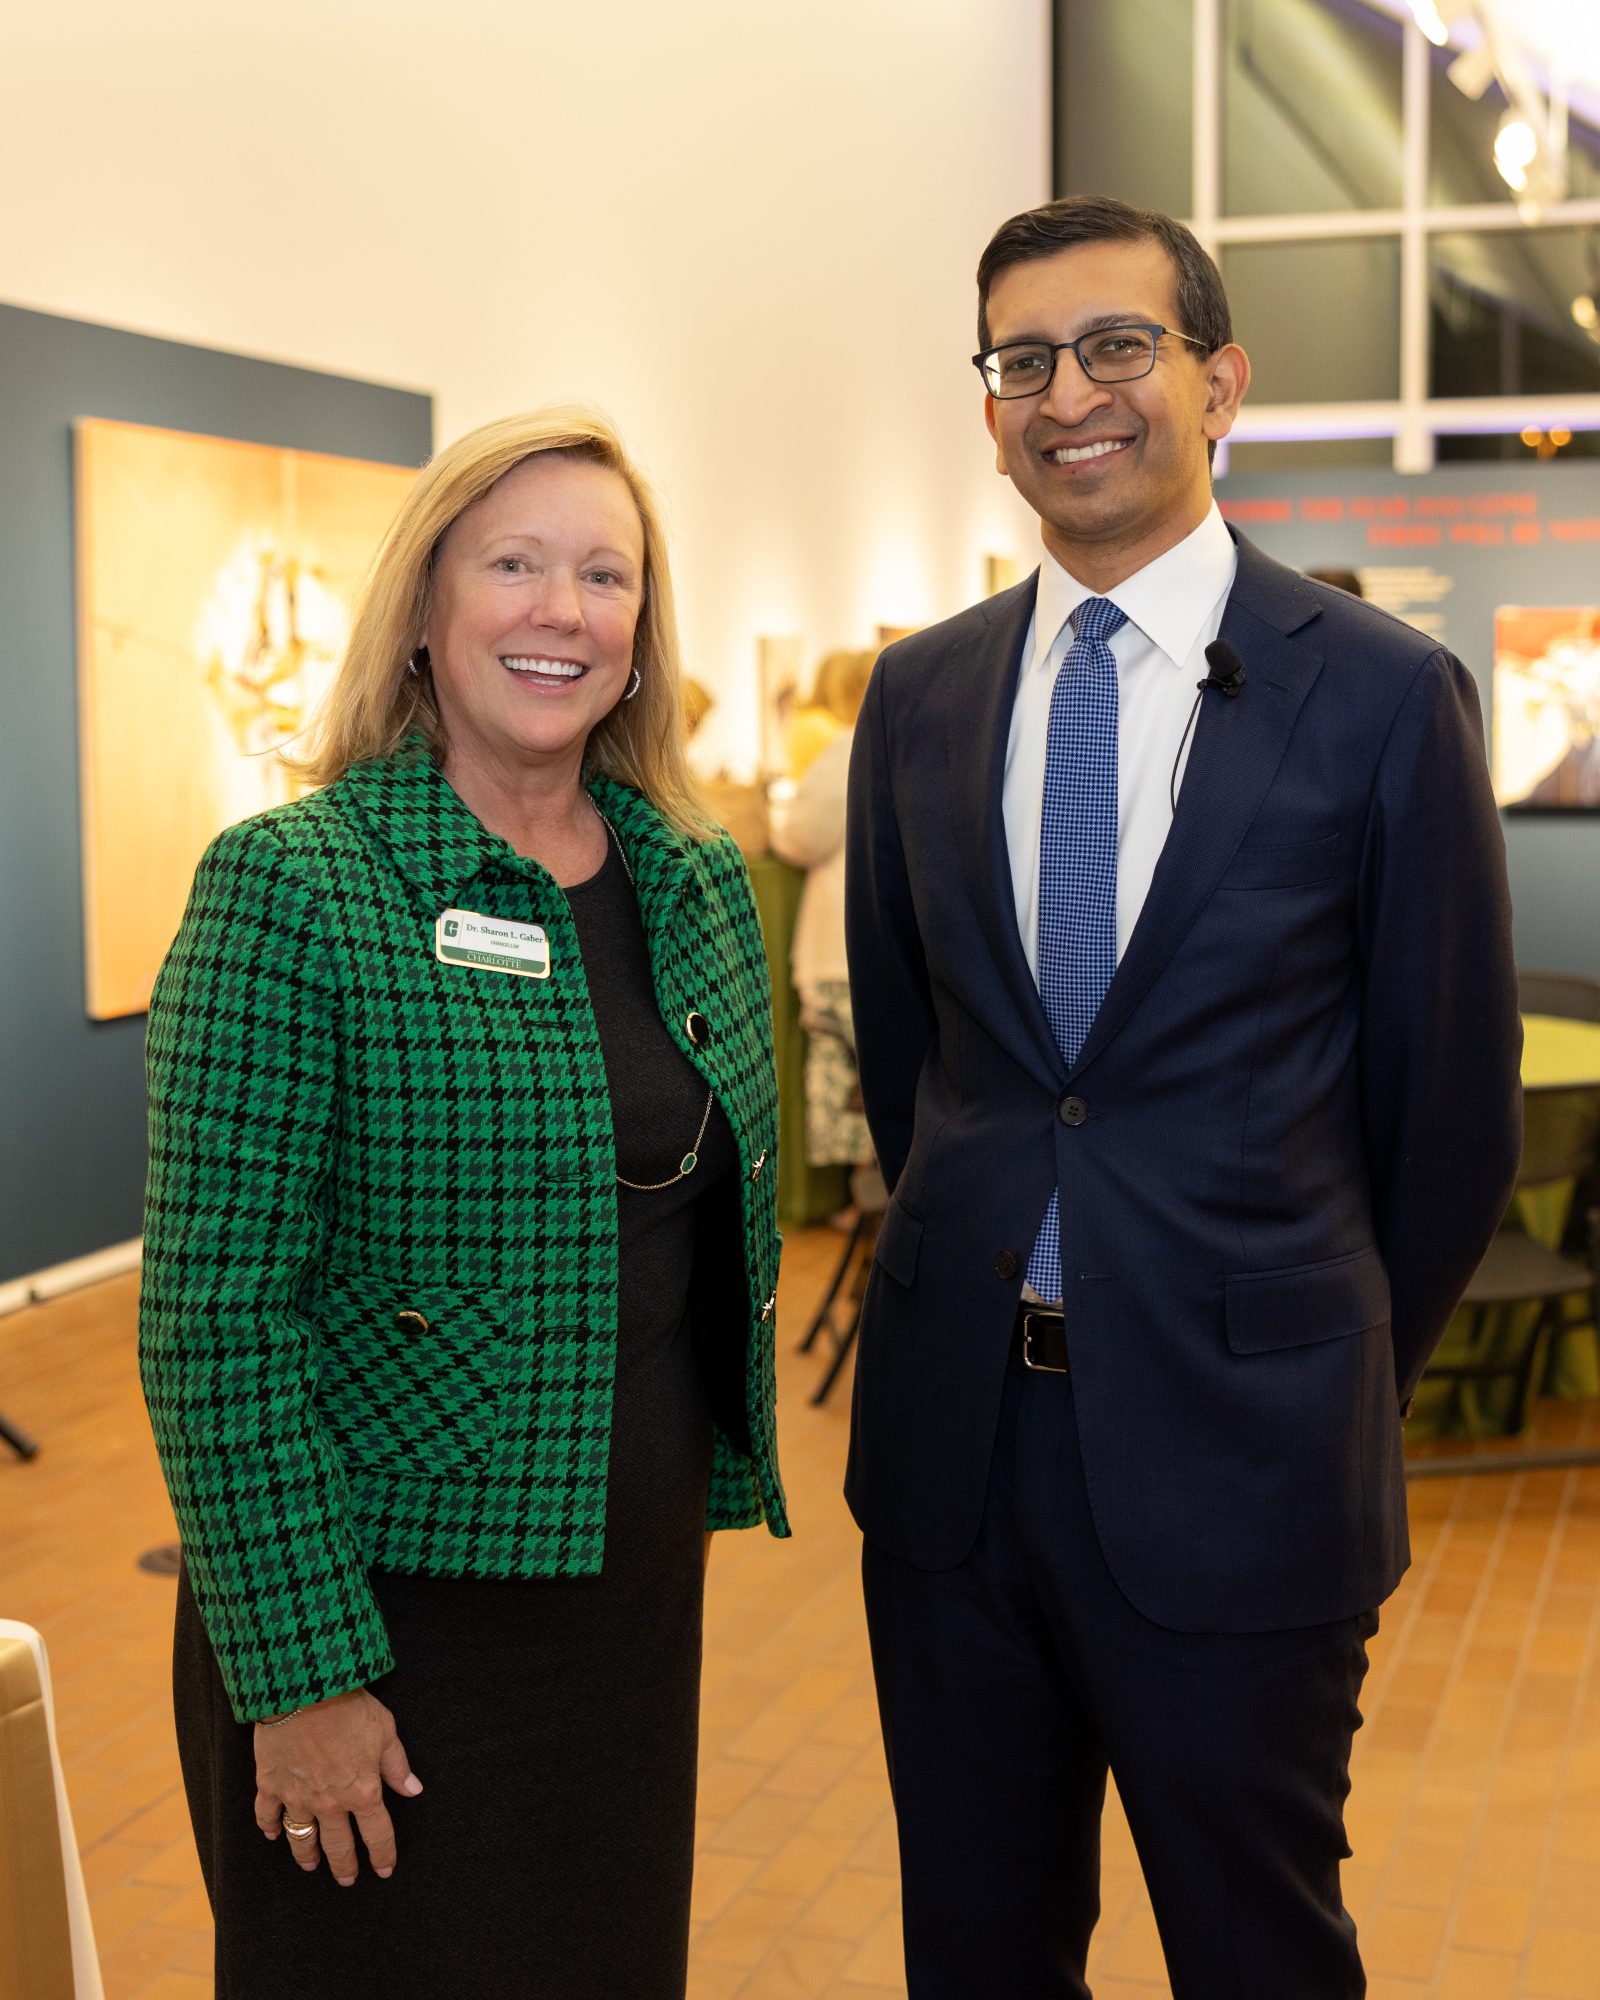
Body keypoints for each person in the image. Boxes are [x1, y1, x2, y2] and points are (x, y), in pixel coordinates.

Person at [844, 195, 1521, 1998]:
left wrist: (1307, 1354)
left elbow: (1448, 1124)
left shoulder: (1382, 697)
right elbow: (924, 1079)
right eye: (1023, 359)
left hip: (1246, 1470)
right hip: (953, 1469)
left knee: (1260, 1951)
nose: (1070, 392)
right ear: (990, 405)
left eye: (1119, 346)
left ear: (1221, 382)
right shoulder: (916, 700)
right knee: (977, 1954)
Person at [139, 406, 788, 1999]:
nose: (562, 611)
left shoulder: (685, 880)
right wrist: (301, 1677)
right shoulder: (296, 884)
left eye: (605, 576)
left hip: (627, 1599)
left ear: (644, 634)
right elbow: (215, 1323)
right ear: (427, 612)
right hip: (388, 1620)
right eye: (514, 565)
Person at [769, 648, 877, 1199]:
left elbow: (799, 838)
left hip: (843, 948)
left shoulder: (847, 749)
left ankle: (867, 1208)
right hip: (890, 950)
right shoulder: (923, 738)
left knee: (852, 1086)